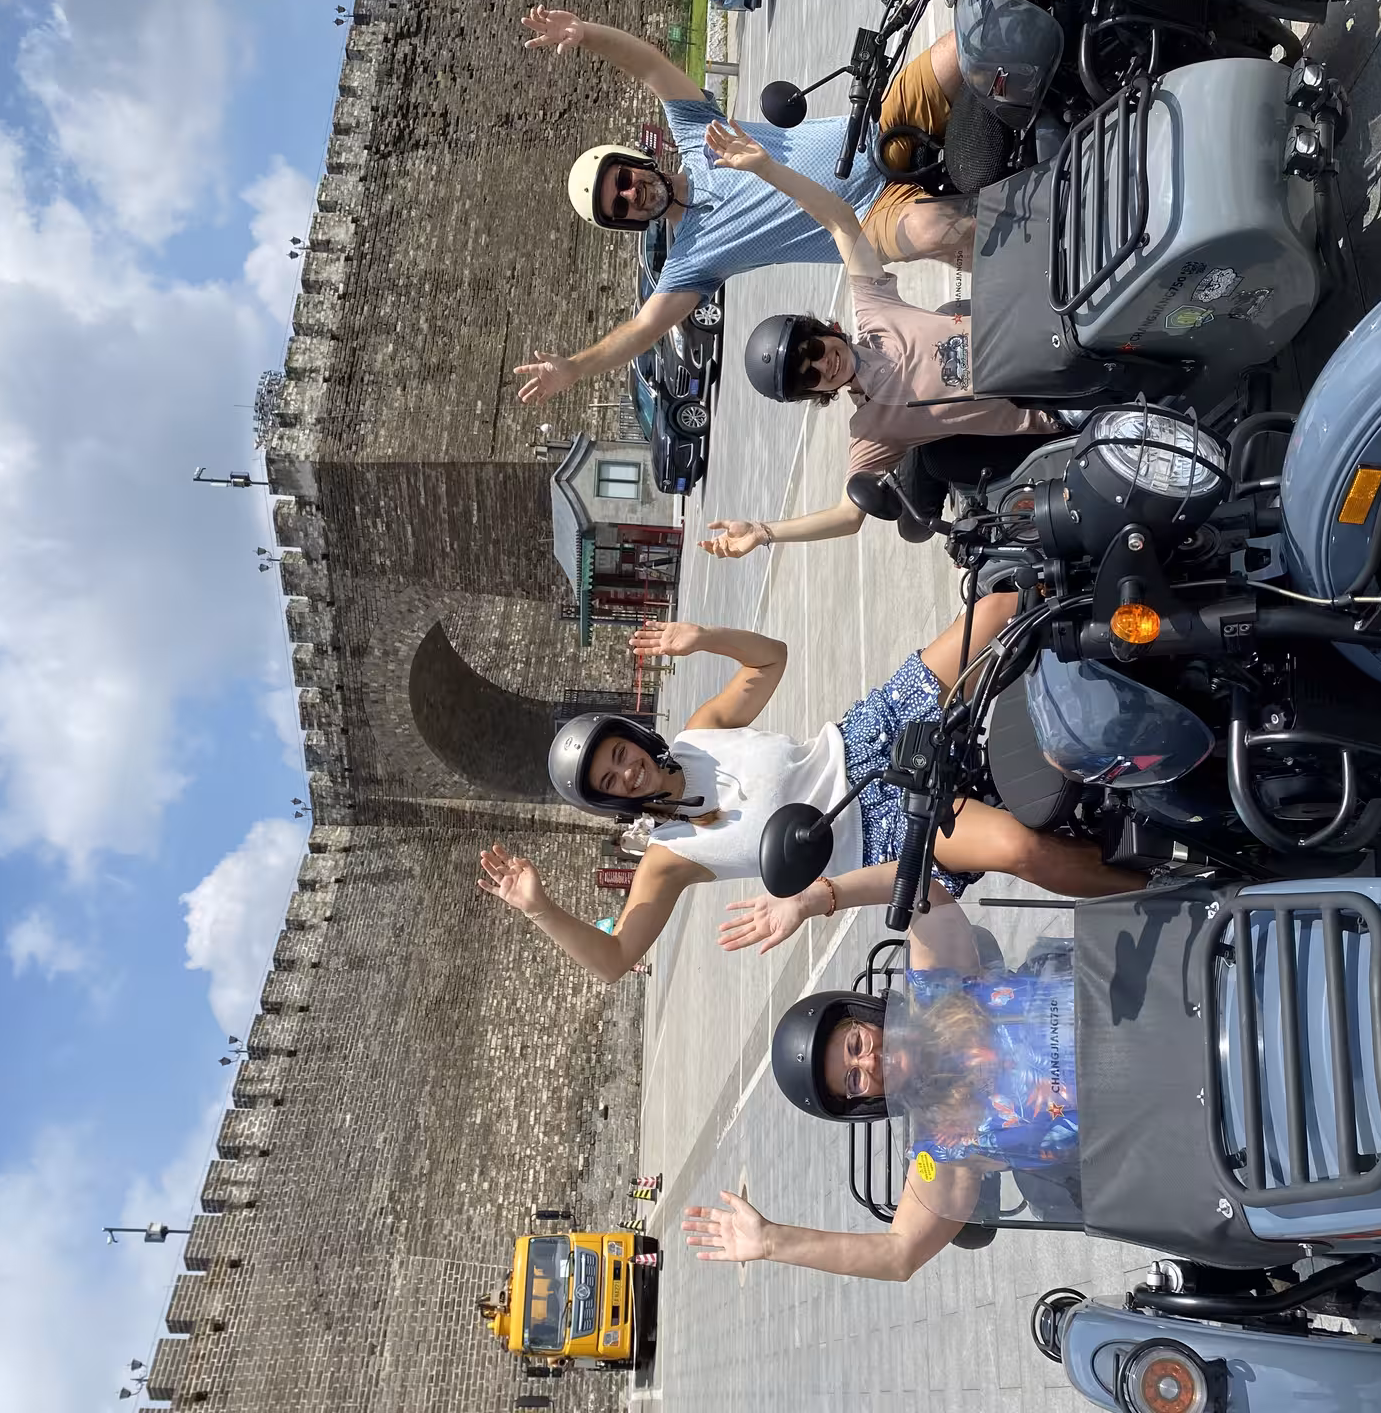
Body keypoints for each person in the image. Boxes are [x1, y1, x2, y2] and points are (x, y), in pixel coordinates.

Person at [475, 601, 1142, 983]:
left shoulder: (701, 732)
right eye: (609, 783)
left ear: (630, 737)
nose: (625, 773)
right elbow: (615, 959)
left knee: (997, 610)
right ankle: (1154, 880)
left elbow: (771, 658)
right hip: (879, 834)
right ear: (612, 801)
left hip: (870, 734)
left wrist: (704, 638)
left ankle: (1147, 627)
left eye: (617, 755)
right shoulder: (668, 858)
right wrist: (540, 909)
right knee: (1018, 847)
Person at [512, 5, 981, 407]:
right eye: (620, 204)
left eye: (623, 179)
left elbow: (650, 67)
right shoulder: (690, 263)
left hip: (878, 132)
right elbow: (642, 329)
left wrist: (586, 34)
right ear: (625, 221)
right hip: (868, 222)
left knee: (966, 45)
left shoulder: (696, 132)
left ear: (633, 162)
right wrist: (575, 367)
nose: (631, 193)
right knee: (935, 231)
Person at [694, 120, 1063, 561]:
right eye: (807, 377)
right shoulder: (872, 428)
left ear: (825, 331)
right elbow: (847, 516)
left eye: (811, 349)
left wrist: (767, 168)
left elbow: (839, 221)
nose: (820, 364)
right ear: (815, 394)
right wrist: (762, 531)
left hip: (1046, 325)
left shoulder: (875, 313)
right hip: (1058, 402)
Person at [681, 900, 1078, 1280]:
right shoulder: (946, 1147)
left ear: (865, 1018)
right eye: (854, 1079)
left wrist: (816, 897)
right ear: (864, 1102)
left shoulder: (939, 985)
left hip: (1113, 1001)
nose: (868, 1062)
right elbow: (899, 1254)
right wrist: (772, 1241)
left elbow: (928, 894)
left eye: (855, 1044)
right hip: (1127, 1129)